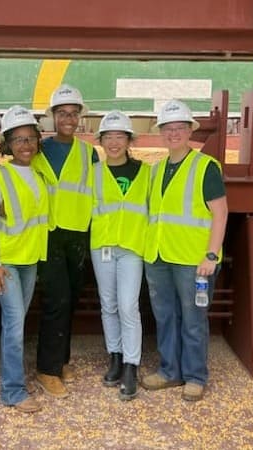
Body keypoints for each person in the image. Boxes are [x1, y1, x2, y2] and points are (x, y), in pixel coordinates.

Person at [141, 99, 228, 402]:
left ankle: (195, 376)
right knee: (165, 317)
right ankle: (169, 371)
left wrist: (212, 255)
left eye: (180, 127)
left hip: (193, 259)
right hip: (158, 256)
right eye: (168, 128)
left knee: (192, 319)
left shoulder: (205, 167)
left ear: (190, 130)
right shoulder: (155, 170)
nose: (173, 133)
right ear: (161, 132)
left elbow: (220, 213)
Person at [31, 84, 98, 398]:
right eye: (62, 113)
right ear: (52, 117)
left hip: (78, 236)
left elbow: (101, 192)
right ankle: (47, 369)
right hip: (48, 235)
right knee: (56, 301)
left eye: (73, 113)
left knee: (70, 299)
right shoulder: (37, 150)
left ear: (79, 118)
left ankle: (62, 359)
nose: (68, 119)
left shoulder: (89, 153)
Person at [0, 105, 50, 413]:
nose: (26, 145)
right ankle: (13, 390)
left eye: (30, 138)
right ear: (7, 144)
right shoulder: (0, 177)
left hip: (30, 259)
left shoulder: (38, 174)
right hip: (7, 263)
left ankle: (15, 380)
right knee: (13, 324)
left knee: (17, 322)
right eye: (18, 139)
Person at [89, 111, 150, 401]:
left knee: (128, 306)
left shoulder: (147, 172)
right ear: (100, 141)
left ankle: (131, 364)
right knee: (109, 304)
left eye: (119, 136)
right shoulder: (93, 173)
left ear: (129, 140)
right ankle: (114, 356)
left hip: (132, 248)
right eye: (108, 136)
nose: (113, 142)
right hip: (102, 247)